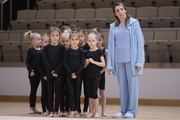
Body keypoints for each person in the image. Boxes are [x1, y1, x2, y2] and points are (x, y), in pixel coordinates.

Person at [107, 2, 145, 118]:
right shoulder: (113, 27)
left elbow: (140, 43)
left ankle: (132, 111)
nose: (120, 12)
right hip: (119, 61)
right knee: (122, 87)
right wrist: (110, 64)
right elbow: (111, 46)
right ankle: (123, 110)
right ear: (115, 14)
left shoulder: (134, 23)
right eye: (117, 10)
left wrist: (139, 61)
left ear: (125, 10)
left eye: (121, 9)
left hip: (132, 61)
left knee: (132, 87)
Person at [43, 26, 64, 117]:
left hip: (58, 72)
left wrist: (56, 71)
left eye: (57, 35)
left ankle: (56, 110)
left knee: (58, 91)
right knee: (50, 91)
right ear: (49, 36)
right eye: (53, 35)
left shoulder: (61, 48)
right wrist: (51, 71)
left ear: (59, 36)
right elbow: (45, 60)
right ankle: (50, 110)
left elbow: (63, 60)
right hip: (49, 72)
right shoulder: (46, 48)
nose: (55, 37)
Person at [84, 32, 105, 118]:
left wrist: (94, 62)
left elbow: (103, 64)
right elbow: (84, 66)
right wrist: (87, 63)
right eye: (89, 41)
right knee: (89, 94)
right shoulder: (86, 52)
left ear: (96, 41)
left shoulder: (99, 51)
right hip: (88, 76)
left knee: (94, 93)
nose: (91, 42)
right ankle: (91, 111)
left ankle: (96, 111)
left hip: (96, 76)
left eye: (93, 40)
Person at [64, 31, 84, 118]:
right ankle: (71, 110)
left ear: (79, 40)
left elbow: (82, 64)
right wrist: (71, 73)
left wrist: (76, 73)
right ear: (69, 40)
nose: (74, 41)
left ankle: (76, 110)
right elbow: (65, 63)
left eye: (76, 39)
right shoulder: (67, 51)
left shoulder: (81, 51)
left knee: (77, 92)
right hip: (69, 75)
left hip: (78, 75)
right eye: (72, 39)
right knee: (70, 92)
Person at [25, 31, 42, 114]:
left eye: (40, 39)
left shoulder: (42, 50)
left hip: (41, 73)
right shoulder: (31, 51)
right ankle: (32, 107)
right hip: (33, 73)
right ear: (32, 41)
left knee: (44, 90)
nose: (40, 41)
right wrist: (30, 70)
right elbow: (27, 62)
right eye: (38, 39)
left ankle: (44, 108)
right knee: (33, 90)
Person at [93, 28, 108, 117]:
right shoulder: (92, 50)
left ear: (103, 40)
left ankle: (103, 111)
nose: (98, 42)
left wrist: (100, 72)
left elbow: (106, 65)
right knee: (93, 92)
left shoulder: (105, 51)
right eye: (96, 40)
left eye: (100, 40)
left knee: (102, 92)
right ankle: (94, 110)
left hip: (101, 74)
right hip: (93, 74)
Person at [78, 29, 90, 116]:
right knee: (77, 91)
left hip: (87, 72)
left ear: (84, 37)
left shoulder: (88, 47)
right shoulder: (75, 47)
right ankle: (78, 109)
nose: (80, 38)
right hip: (78, 72)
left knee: (87, 91)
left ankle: (85, 109)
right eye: (78, 36)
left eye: (81, 36)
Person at [37, 34, 50, 115]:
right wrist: (44, 75)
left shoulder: (51, 53)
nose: (47, 44)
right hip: (44, 75)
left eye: (48, 42)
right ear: (41, 43)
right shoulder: (40, 53)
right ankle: (44, 109)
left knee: (50, 92)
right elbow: (39, 66)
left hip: (50, 75)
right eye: (45, 42)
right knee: (44, 92)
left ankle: (50, 108)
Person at [59, 30, 70, 117]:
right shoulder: (59, 50)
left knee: (69, 92)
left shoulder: (70, 50)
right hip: (60, 74)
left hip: (69, 74)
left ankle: (67, 109)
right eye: (63, 41)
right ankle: (61, 109)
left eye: (67, 41)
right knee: (61, 92)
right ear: (60, 41)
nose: (65, 43)